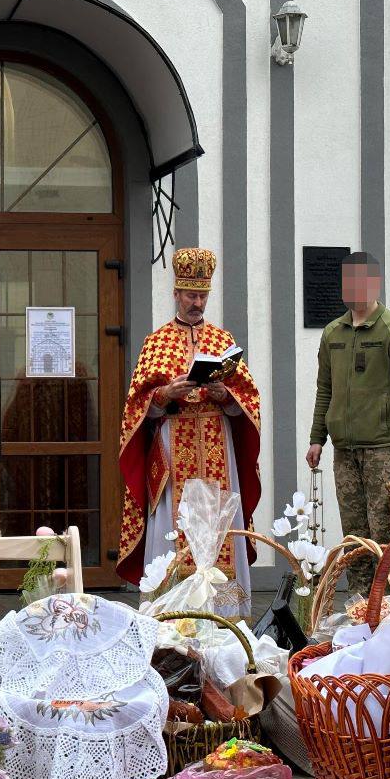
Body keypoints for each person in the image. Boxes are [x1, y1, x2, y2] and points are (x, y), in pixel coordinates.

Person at [117, 247, 262, 618]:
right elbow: (136, 406)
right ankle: (169, 614)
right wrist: (165, 394)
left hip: (217, 442)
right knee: (173, 523)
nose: (197, 303)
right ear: (176, 293)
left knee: (220, 525)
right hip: (173, 442)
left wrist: (225, 395)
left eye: (202, 296)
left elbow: (248, 401)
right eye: (191, 295)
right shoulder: (156, 342)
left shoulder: (222, 341)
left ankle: (226, 616)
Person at [306, 251, 390, 593]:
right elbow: (325, 389)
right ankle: (361, 607)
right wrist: (317, 437)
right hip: (345, 452)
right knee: (356, 539)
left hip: (384, 451)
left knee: (386, 537)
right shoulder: (333, 333)